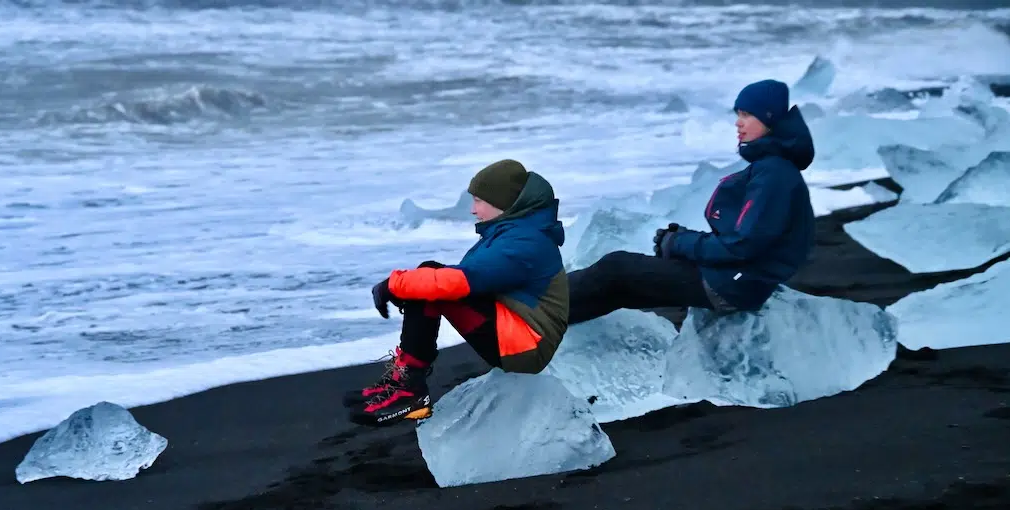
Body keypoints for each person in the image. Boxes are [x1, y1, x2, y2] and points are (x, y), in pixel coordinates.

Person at [567, 79, 816, 324]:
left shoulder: (774, 173)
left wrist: (679, 243)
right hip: (739, 280)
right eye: (738, 114)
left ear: (769, 118)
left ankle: (536, 301)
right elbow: (746, 239)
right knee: (622, 289)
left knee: (617, 266)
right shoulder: (774, 169)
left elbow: (742, 245)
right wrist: (681, 239)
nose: (738, 123)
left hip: (734, 285)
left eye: (748, 115)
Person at [345, 159, 569, 426]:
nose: (473, 210)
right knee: (427, 279)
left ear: (502, 202)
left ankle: (409, 390)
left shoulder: (524, 242)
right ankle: (403, 381)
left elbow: (461, 281)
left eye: (478, 201)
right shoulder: (515, 232)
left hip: (526, 345)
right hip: (517, 331)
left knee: (429, 282)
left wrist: (393, 285)